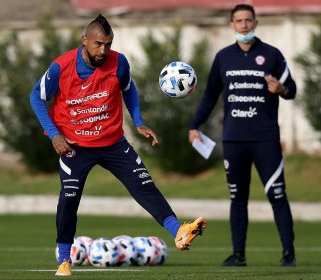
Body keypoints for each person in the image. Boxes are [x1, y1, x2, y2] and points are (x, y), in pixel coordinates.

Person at [30, 14, 207, 276]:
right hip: (74, 146)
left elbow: (128, 87)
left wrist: (138, 121)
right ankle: (64, 259)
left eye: (108, 44)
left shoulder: (118, 62)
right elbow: (36, 96)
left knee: (144, 186)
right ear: (85, 41)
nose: (103, 50)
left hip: (113, 142)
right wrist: (54, 134)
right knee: (69, 200)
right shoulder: (61, 67)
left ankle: (179, 232)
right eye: (98, 44)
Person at [188, 4, 296, 267]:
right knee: (238, 199)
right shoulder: (224, 57)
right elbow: (210, 96)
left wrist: (281, 88)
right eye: (239, 21)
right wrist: (194, 125)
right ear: (232, 25)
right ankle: (238, 255)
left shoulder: (272, 55)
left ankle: (289, 254)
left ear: (256, 23)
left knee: (277, 195)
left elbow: (292, 90)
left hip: (266, 139)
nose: (244, 25)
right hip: (234, 140)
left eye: (249, 20)